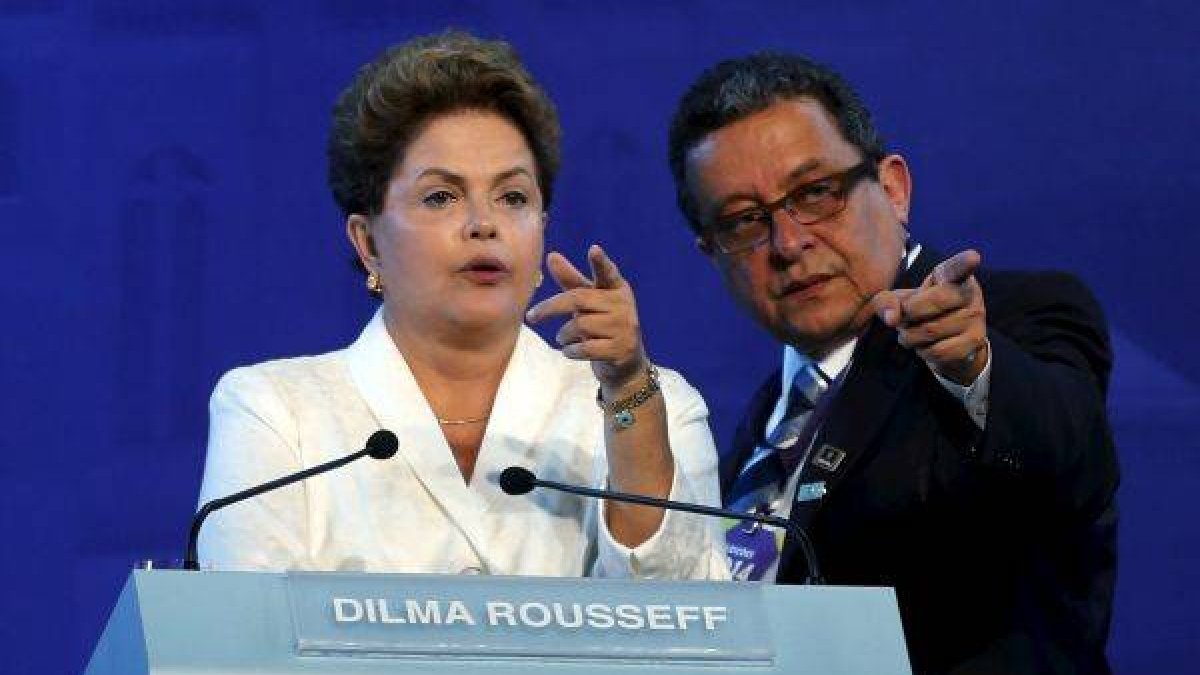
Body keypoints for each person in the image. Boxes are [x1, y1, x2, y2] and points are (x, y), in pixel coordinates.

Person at [195, 31, 727, 581]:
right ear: (368, 242)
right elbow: (241, 642)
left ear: (543, 226)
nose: (484, 224)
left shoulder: (655, 408)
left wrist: (627, 391)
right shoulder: (275, 413)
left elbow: (694, 633)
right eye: (441, 197)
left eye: (513, 197)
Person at [667, 53, 1118, 673]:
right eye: (745, 222)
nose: (789, 244)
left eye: (816, 193)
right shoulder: (768, 419)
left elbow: (1070, 458)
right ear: (711, 252)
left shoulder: (1013, 319)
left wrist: (974, 368)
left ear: (894, 188)